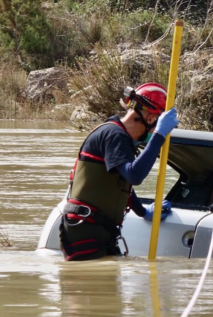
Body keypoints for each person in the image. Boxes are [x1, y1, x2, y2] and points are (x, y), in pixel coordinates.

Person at [60, 82, 179, 261]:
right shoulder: (114, 135)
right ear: (151, 119)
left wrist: (143, 211)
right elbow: (134, 175)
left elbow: (121, 183)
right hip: (85, 230)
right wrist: (159, 136)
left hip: (96, 229)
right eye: (158, 125)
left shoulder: (119, 136)